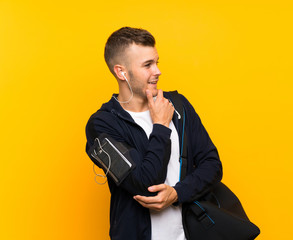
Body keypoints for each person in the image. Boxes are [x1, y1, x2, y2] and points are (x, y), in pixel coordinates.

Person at [85, 27, 222, 240]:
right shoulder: (101, 125)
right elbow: (144, 185)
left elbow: (212, 164)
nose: (157, 71)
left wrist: (178, 193)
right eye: (147, 65)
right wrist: (160, 126)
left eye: (157, 62)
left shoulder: (178, 105)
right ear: (121, 72)